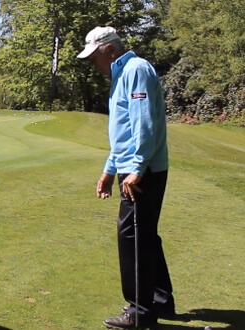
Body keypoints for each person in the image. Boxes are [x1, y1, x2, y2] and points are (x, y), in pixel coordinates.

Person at [77, 27, 175, 329]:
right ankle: (160, 300)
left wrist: (135, 169)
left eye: (95, 57)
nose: (94, 64)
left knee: (132, 237)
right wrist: (109, 170)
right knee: (143, 234)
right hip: (134, 166)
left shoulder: (135, 70)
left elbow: (144, 125)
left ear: (109, 49)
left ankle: (139, 312)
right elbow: (123, 132)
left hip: (142, 170)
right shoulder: (122, 74)